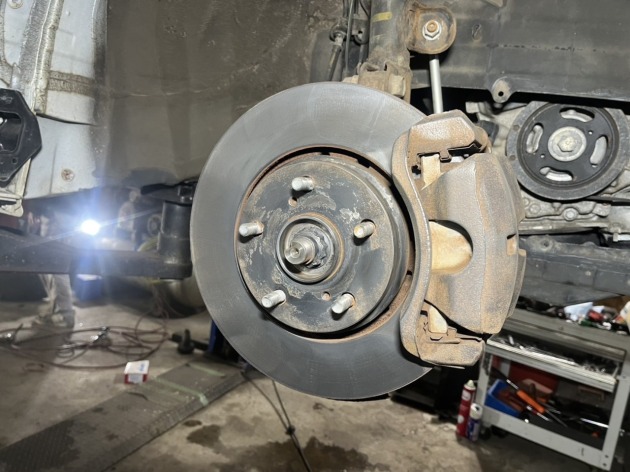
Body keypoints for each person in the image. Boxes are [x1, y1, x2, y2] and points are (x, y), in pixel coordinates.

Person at [29, 207, 76, 329]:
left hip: (57, 215)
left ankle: (64, 315)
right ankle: (56, 310)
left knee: (56, 270)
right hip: (50, 214)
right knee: (46, 269)